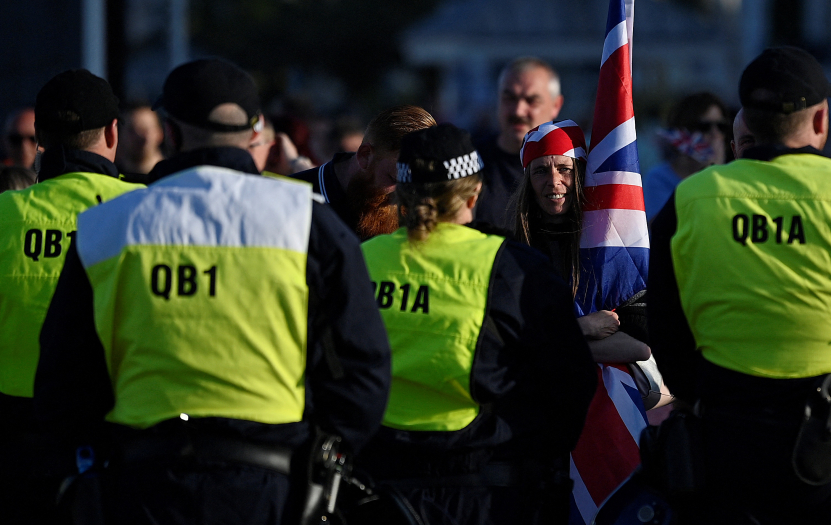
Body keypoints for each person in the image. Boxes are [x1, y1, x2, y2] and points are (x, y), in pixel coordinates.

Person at [33, 58, 392, 525]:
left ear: (170, 131)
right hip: (270, 487)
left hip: (144, 483)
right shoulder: (307, 222)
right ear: (252, 134)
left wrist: (97, 459)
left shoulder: (108, 225)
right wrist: (324, 456)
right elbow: (363, 369)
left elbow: (65, 375)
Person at [648, 46, 831, 524]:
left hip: (727, 448)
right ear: (822, 120)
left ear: (742, 119)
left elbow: (665, 322)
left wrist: (706, 390)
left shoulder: (692, 199)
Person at [357, 123, 596, 524]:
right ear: (474, 190)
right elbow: (571, 384)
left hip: (376, 491)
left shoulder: (359, 259)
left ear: (401, 191)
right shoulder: (515, 268)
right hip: (485, 493)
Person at [0, 69, 143, 523]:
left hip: (13, 436)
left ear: (39, 137)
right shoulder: (149, 211)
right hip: (115, 432)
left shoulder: (4, 213)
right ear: (114, 133)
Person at [512, 119, 651, 363]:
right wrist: (582, 327)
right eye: (541, 170)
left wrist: (548, 343)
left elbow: (640, 346)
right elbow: (509, 337)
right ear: (528, 182)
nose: (554, 181)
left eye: (564, 169)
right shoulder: (513, 253)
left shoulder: (609, 247)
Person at [291, 105, 436, 239]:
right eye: (395, 179)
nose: (407, 195)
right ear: (365, 155)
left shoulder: (421, 210)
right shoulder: (294, 199)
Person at [473, 57, 564, 228]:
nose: (518, 110)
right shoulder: (470, 164)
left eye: (532, 101)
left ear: (556, 106)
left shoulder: (576, 172)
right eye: (510, 98)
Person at [643, 93, 728, 220]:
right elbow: (661, 229)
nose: (715, 134)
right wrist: (710, 175)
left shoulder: (731, 176)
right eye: (705, 127)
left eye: (721, 126)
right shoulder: (658, 179)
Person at [115, 103, 165, 179]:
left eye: (145, 130)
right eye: (132, 130)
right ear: (120, 135)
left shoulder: (174, 176)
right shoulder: (110, 178)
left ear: (160, 134)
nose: (139, 136)